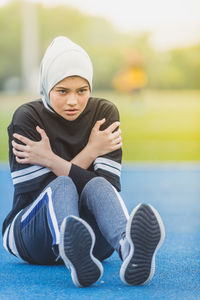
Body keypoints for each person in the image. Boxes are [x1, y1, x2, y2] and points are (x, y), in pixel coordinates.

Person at [2, 36, 165, 288]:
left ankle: (128, 249)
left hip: (96, 246)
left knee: (98, 186)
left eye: (82, 91)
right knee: (64, 186)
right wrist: (91, 151)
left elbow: (109, 185)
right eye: (62, 91)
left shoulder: (103, 113)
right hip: (31, 238)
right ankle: (73, 252)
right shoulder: (27, 117)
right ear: (46, 87)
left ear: (91, 87)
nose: (73, 101)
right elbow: (36, 193)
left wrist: (49, 159)